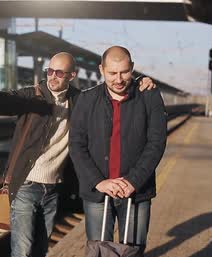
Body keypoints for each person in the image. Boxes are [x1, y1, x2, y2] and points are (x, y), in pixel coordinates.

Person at [0, 52, 155, 257]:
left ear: (72, 76)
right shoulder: (33, 95)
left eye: (60, 73)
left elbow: (113, 83)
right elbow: (6, 101)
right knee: (22, 255)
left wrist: (141, 80)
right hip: (25, 186)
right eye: (50, 71)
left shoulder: (81, 100)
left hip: (53, 189)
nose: (53, 77)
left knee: (40, 252)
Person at [70, 45, 167, 245]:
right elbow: (77, 145)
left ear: (132, 67)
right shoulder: (87, 100)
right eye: (112, 73)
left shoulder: (149, 96)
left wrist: (133, 181)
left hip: (136, 191)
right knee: (99, 253)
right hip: (98, 191)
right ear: (101, 70)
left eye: (124, 72)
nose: (119, 79)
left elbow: (156, 143)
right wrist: (99, 182)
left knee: (131, 255)